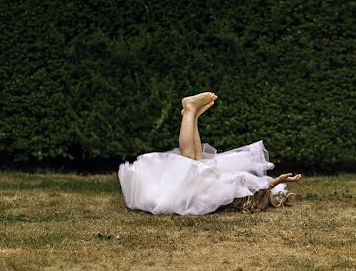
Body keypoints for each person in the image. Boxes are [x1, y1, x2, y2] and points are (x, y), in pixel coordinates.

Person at [118, 92, 302, 215]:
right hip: (200, 190)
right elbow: (261, 185)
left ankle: (190, 113)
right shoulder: (242, 195)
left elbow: (259, 185)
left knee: (191, 159)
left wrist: (277, 182)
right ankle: (191, 115)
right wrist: (278, 181)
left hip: (190, 194)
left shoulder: (233, 196)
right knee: (195, 159)